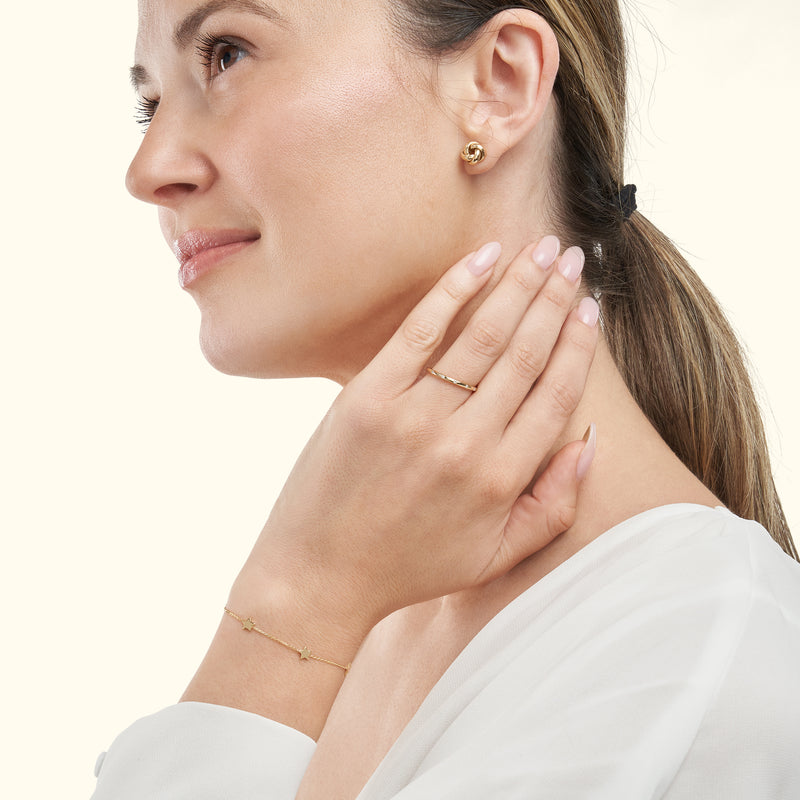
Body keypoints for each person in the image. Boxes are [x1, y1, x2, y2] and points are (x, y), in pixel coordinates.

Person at [92, 0, 800, 797]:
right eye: (149, 103)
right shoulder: (371, 628)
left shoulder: (675, 656)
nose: (149, 169)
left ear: (500, 84)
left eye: (227, 55)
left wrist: (291, 606)